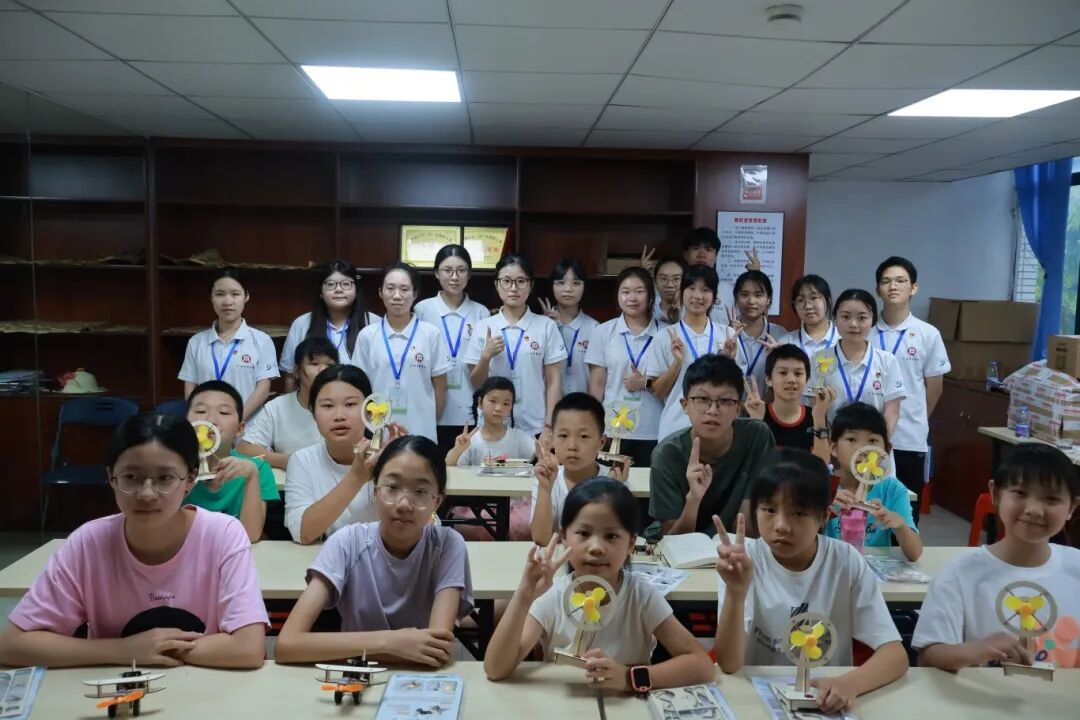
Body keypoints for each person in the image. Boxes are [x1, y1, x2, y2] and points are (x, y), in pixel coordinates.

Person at [0, 414, 267, 669]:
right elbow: (11, 644)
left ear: (190, 479)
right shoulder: (89, 543)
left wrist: (155, 650)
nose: (147, 494)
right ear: (111, 477)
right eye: (131, 477)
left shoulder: (223, 535)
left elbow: (248, 648)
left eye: (165, 478)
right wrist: (124, 651)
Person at [714, 449, 908, 714]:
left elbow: (895, 654)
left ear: (824, 516)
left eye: (799, 513)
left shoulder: (845, 561)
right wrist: (736, 593)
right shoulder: (743, 562)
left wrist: (849, 684)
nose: (781, 525)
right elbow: (729, 663)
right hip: (757, 698)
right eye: (769, 510)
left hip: (825, 698)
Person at [483, 478, 714, 689]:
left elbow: (701, 665)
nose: (596, 547)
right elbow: (495, 669)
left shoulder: (640, 597)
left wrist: (629, 677)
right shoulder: (553, 594)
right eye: (583, 533)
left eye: (611, 536)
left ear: (631, 543)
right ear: (564, 537)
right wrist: (525, 595)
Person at [275, 436, 473, 667]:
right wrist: (390, 642)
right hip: (356, 675)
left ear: (437, 501)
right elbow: (286, 645)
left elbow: (437, 651)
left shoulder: (448, 545)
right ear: (375, 491)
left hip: (420, 678)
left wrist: (360, 648)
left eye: (420, 491)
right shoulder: (347, 542)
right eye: (392, 487)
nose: (403, 504)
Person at [913, 444, 1080, 671]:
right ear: (995, 494)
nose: (1034, 509)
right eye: (1020, 493)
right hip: (981, 693)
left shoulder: (1075, 567)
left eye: (1051, 499)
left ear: (1072, 507)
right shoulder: (960, 574)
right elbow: (928, 656)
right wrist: (978, 649)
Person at [647, 354, 774, 539]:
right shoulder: (667, 454)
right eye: (702, 399)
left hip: (735, 545)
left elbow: (749, 520)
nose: (713, 410)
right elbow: (673, 539)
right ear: (685, 405)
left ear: (738, 408)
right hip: (679, 549)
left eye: (725, 401)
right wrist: (693, 499)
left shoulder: (757, 436)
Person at [284, 365, 407, 545]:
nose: (339, 416)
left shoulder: (389, 456)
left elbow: (423, 526)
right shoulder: (302, 460)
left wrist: (401, 466)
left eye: (350, 404)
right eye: (327, 406)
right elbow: (303, 533)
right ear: (313, 412)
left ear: (369, 411)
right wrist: (356, 477)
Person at [874, 256, 950, 524]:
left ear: (913, 288)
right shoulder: (866, 331)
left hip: (909, 438)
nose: (893, 286)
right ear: (878, 289)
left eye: (900, 281)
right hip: (868, 438)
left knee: (905, 514)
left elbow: (935, 388)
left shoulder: (928, 334)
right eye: (886, 281)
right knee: (868, 511)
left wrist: (916, 419)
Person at [464, 254, 566, 436]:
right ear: (497, 284)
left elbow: (554, 381)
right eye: (506, 281)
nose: (513, 288)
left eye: (521, 281)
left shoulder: (546, 326)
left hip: (535, 425)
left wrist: (550, 426)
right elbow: (477, 384)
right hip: (492, 426)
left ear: (531, 285)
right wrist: (486, 356)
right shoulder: (484, 326)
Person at [353, 262, 450, 443]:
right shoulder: (367, 335)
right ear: (381, 292)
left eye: (404, 289)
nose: (397, 296)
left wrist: (429, 418)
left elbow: (441, 386)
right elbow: (358, 387)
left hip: (421, 431)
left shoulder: (430, 333)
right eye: (390, 288)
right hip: (378, 431)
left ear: (415, 294)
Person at [414, 244, 491, 455]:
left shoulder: (481, 313)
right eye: (447, 270)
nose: (454, 277)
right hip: (432, 410)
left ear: (469, 274)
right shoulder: (421, 310)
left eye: (461, 270)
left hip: (470, 411)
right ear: (436, 273)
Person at [586, 266, 666, 467]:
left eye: (639, 291)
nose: (632, 298)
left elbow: (672, 383)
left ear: (650, 296)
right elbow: (597, 386)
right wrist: (594, 427)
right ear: (617, 296)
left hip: (654, 428)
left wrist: (646, 382)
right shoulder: (603, 332)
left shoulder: (666, 333)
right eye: (626, 291)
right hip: (612, 429)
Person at [645, 265, 737, 438]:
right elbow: (658, 391)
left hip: (718, 429)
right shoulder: (665, 336)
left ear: (714, 296)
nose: (697, 296)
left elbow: (736, 390)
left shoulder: (727, 335)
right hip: (676, 429)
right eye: (691, 288)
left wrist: (728, 360)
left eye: (705, 290)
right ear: (681, 293)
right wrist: (677, 363)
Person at [184, 380, 279, 542]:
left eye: (224, 413)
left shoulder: (257, 468)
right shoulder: (171, 465)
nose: (211, 419)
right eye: (200, 411)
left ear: (239, 429)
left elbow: (251, 535)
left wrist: (252, 477)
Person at [825, 403, 922, 561]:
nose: (862, 449)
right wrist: (824, 508)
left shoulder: (893, 489)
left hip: (873, 571)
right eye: (852, 439)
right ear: (834, 447)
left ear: (886, 450)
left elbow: (915, 554)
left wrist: (900, 525)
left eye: (872, 440)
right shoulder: (821, 485)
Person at [178, 268, 278, 420]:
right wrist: (200, 419)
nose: (227, 302)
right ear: (211, 297)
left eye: (235, 294)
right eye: (220, 294)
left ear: (246, 296)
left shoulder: (262, 341)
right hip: (206, 426)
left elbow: (263, 389)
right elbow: (190, 387)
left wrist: (236, 420)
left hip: (248, 425)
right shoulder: (196, 342)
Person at [530, 392, 628, 545]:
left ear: (602, 442)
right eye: (563, 436)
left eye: (583, 436)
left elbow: (619, 541)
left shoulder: (614, 479)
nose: (572, 446)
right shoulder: (547, 477)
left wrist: (616, 494)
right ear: (553, 439)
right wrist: (545, 489)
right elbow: (541, 539)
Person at [813, 289, 906, 436]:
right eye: (845, 317)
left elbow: (892, 412)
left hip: (873, 445)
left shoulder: (887, 361)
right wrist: (826, 441)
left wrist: (879, 444)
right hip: (831, 443)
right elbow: (813, 405)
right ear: (835, 318)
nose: (853, 324)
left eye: (862, 318)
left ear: (873, 320)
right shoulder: (820, 359)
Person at [237, 337, 337, 470]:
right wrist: (289, 461)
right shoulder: (277, 407)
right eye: (314, 364)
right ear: (296, 371)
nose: (323, 370)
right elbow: (244, 448)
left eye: (330, 365)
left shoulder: (344, 407)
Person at [279, 260, 379, 391]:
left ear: (356, 290)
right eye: (330, 284)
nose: (338, 290)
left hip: (360, 400)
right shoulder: (302, 323)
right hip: (312, 401)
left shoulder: (374, 323)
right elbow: (291, 376)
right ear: (321, 292)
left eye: (346, 284)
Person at [742, 344, 833, 465]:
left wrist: (819, 418)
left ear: (807, 380)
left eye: (798, 374)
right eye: (783, 373)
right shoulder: (756, 414)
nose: (791, 380)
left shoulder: (815, 416)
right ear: (768, 380)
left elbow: (822, 464)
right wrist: (757, 420)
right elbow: (751, 464)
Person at [540, 257, 600, 396]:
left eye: (576, 283)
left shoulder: (595, 328)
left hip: (583, 404)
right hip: (547, 404)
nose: (568, 289)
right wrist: (547, 327)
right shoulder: (541, 326)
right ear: (552, 286)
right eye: (561, 282)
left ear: (584, 286)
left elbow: (598, 377)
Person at [446, 377, 535, 467]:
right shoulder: (470, 441)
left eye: (506, 403)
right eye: (493, 401)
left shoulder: (519, 438)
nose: (499, 408)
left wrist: (542, 450)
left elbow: (539, 457)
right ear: (480, 402)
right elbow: (449, 466)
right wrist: (457, 450)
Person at [679, 227, 760, 325]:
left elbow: (750, 320)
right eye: (696, 248)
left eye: (708, 249)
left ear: (716, 256)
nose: (702, 255)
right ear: (685, 254)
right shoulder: (675, 287)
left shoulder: (730, 290)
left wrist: (756, 277)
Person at [782, 274, 838, 405]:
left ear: (828, 301)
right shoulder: (785, 342)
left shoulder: (843, 341)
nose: (807, 306)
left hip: (836, 413)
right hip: (795, 413)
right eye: (800, 300)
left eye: (814, 298)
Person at [730, 270, 787, 395]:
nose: (751, 301)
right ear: (736, 299)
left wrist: (779, 356)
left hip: (768, 405)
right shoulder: (724, 333)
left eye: (758, 295)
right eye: (744, 294)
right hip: (730, 405)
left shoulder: (780, 334)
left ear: (768, 299)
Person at [651, 257, 684, 326]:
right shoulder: (648, 313)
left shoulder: (694, 312)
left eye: (676, 279)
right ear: (655, 282)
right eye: (664, 278)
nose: (670, 285)